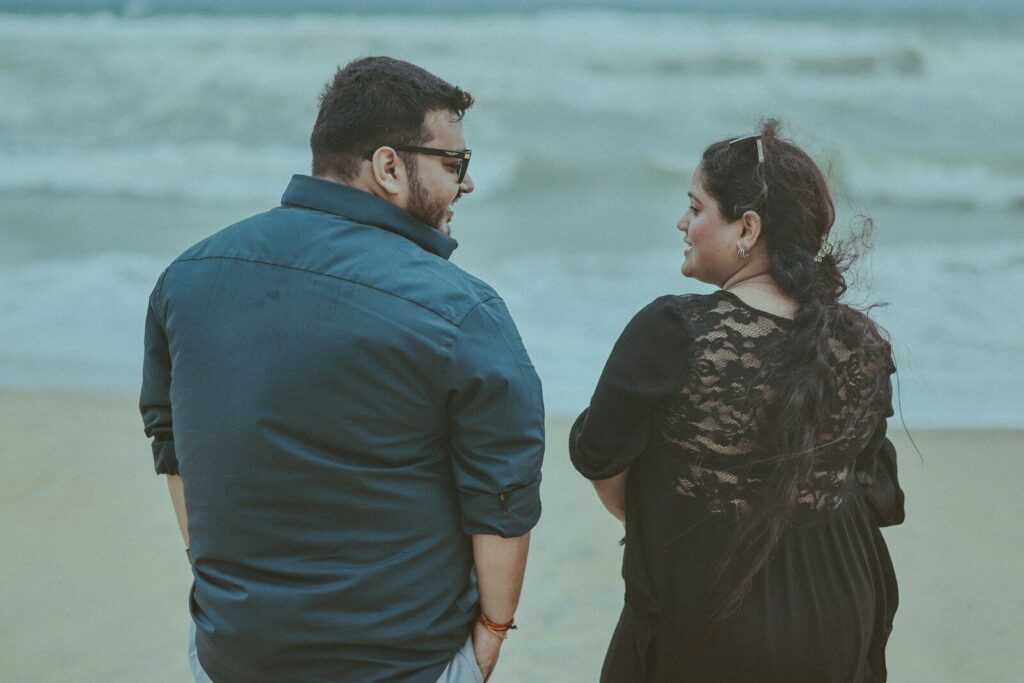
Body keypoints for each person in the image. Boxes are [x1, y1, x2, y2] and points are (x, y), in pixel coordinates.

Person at [140, 56, 544, 683]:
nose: (467, 185)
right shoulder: (461, 310)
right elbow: (501, 495)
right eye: (454, 164)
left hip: (233, 656)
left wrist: (226, 587)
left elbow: (172, 447)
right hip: (400, 664)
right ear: (388, 167)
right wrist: (492, 632)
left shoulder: (187, 278)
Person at [570, 120, 904, 682]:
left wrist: (682, 517)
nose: (683, 223)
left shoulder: (675, 329)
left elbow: (606, 466)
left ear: (746, 227)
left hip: (716, 611)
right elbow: (866, 486)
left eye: (696, 209)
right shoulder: (860, 343)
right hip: (841, 606)